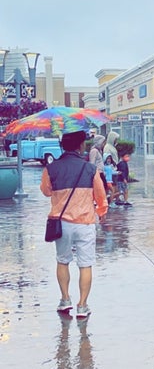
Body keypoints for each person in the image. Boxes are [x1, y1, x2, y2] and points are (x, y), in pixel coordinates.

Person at [40, 130, 108, 318]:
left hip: (61, 224)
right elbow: (100, 196)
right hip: (85, 222)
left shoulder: (51, 168)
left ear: (63, 146)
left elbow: (46, 191)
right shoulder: (90, 169)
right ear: (80, 146)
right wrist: (101, 212)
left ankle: (65, 299)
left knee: (63, 260)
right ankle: (82, 305)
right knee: (85, 264)